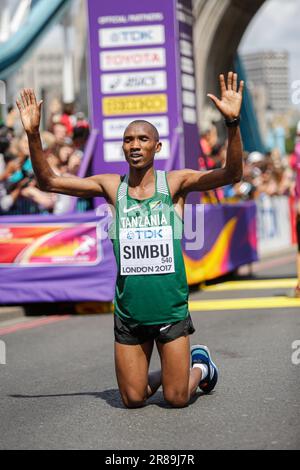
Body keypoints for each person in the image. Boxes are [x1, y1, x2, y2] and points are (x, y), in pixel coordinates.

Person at [16, 72, 244, 408]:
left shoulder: (176, 184)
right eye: (128, 140)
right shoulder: (112, 187)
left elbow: (231, 174)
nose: (134, 145)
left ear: (157, 146)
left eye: (142, 139)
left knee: (177, 398)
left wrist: (233, 123)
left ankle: (200, 365)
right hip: (129, 313)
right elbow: (49, 181)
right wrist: (33, 133)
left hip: (169, 309)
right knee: (133, 398)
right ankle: (168, 376)